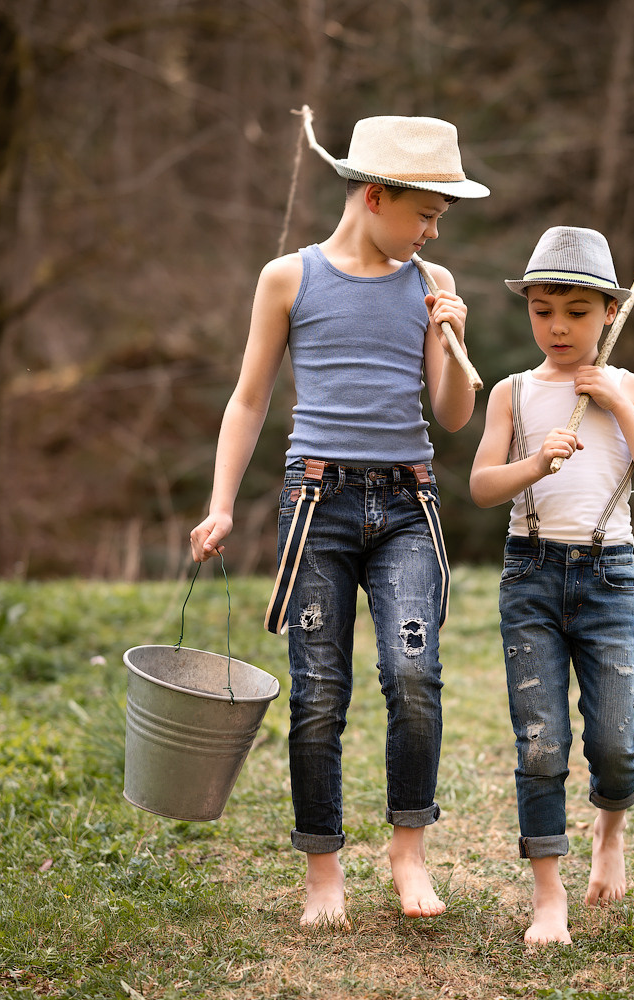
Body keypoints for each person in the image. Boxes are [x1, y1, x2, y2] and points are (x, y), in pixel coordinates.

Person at [188, 115, 488, 925]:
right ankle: (323, 868)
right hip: (315, 504)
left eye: (438, 222)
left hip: (406, 505)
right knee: (319, 691)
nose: (431, 230)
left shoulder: (430, 282)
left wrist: (452, 339)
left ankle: (407, 849)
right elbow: (249, 398)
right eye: (424, 213)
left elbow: (454, 416)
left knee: (414, 674)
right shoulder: (289, 278)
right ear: (375, 195)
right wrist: (221, 506)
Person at [469, 227, 634, 944]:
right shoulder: (513, 392)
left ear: (609, 315)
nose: (557, 326)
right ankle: (547, 896)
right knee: (540, 741)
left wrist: (616, 403)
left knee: (617, 743)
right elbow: (480, 486)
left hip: (606, 577)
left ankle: (610, 831)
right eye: (542, 310)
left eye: (577, 312)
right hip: (530, 574)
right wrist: (537, 464)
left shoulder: (631, 389)